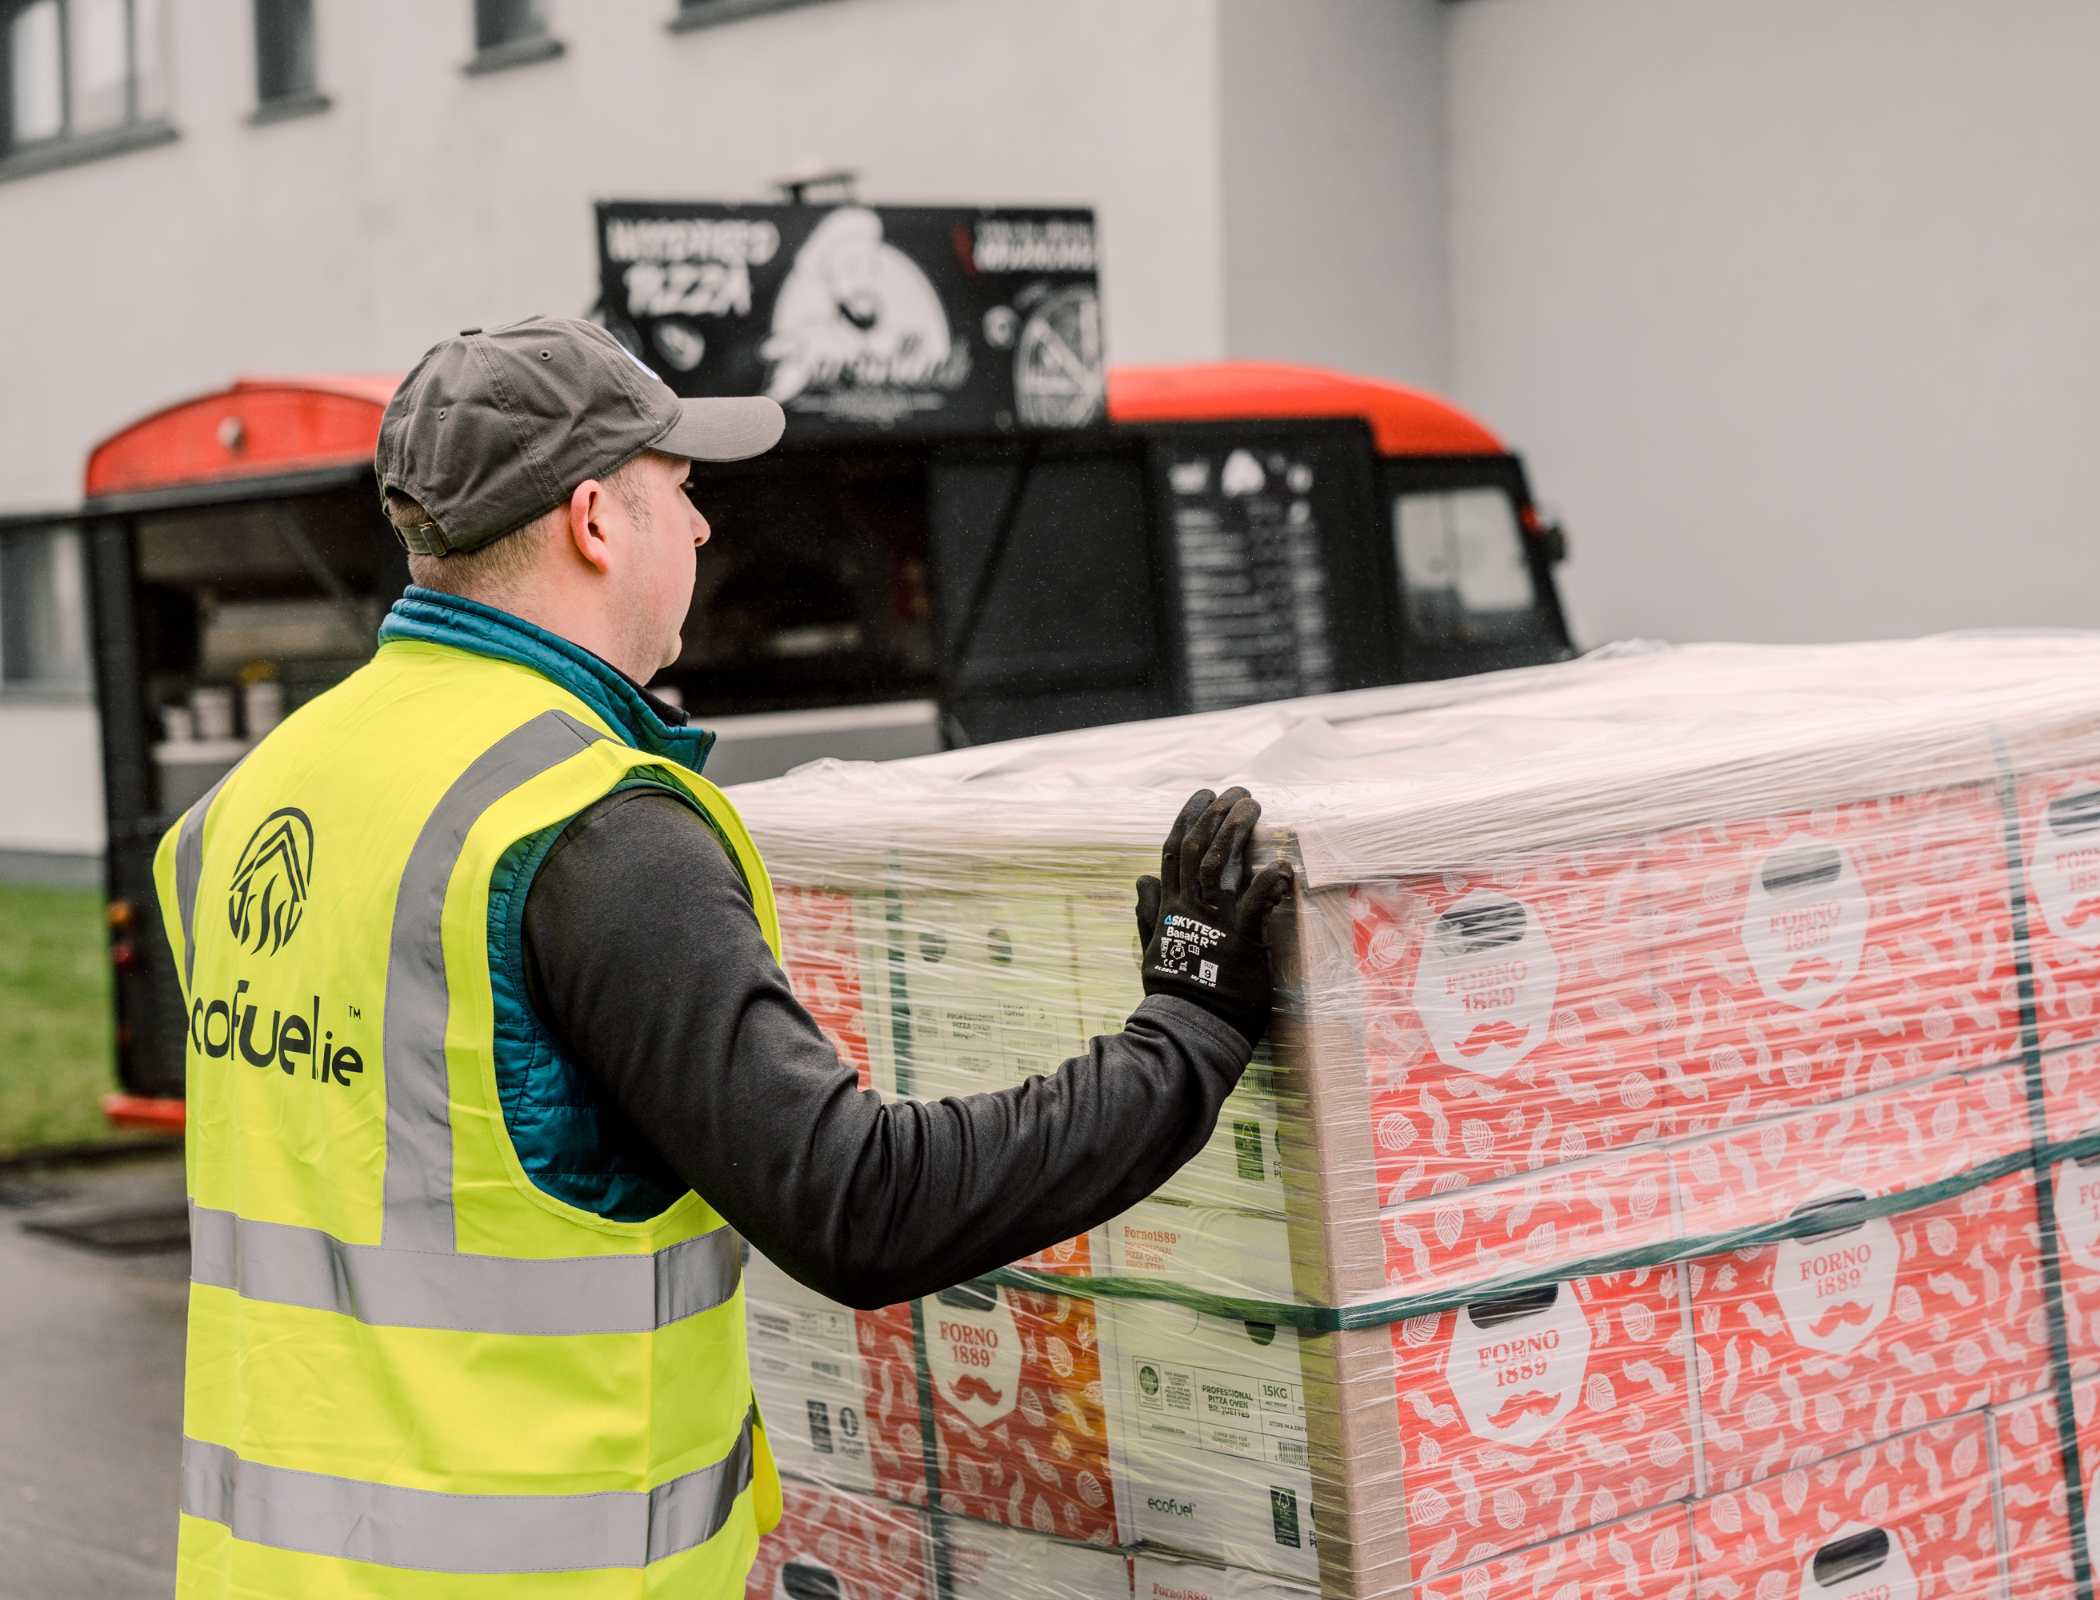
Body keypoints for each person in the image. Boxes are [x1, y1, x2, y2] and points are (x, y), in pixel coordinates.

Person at [154, 315, 1294, 1597]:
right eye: (681, 494)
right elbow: (861, 1202)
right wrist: (1186, 1033)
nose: (702, 532)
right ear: (596, 520)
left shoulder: (245, 813)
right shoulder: (586, 830)